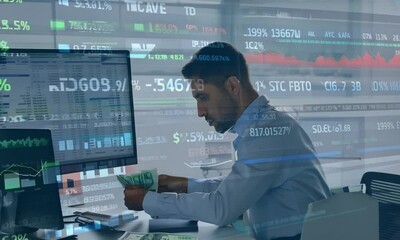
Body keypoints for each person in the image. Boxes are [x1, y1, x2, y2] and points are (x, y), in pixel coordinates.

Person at [124, 42, 331, 240]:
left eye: (203, 98)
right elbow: (237, 188)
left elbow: (221, 208)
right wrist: (181, 185)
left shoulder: (268, 133)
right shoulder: (266, 125)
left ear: (232, 86)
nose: (200, 112)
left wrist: (147, 200)